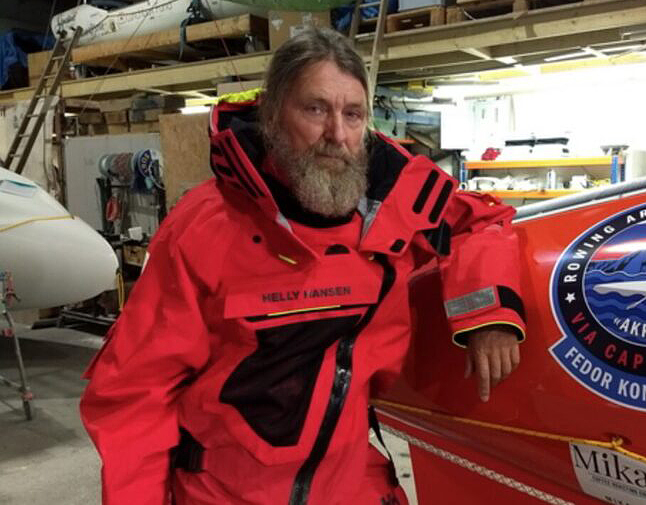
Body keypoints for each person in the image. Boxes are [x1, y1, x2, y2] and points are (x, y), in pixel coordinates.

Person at [80, 27, 526, 505]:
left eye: (352, 115)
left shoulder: (396, 199)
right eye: (315, 109)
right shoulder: (204, 229)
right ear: (273, 115)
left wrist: (488, 316)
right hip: (227, 493)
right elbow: (134, 394)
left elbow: (483, 220)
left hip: (351, 482)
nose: (337, 134)